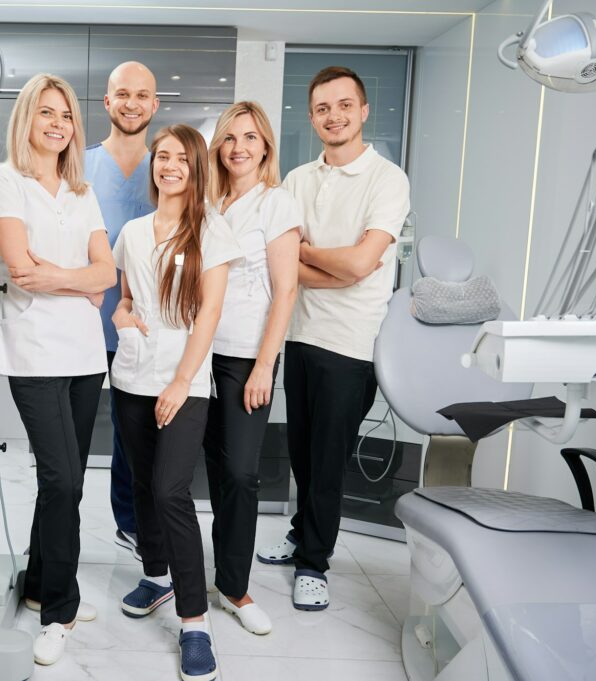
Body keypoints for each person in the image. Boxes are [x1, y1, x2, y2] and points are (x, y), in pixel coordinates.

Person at [255, 66, 410, 612]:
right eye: (323, 108)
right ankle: (302, 532)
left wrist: (306, 256)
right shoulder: (297, 180)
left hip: (351, 344)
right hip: (299, 335)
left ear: (363, 111)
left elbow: (364, 264)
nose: (334, 116)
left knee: (326, 462)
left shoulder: (387, 179)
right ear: (312, 116)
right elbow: (281, 264)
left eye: (344, 105)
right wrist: (334, 266)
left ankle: (314, 564)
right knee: (302, 452)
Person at [0, 73, 116, 666]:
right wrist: (80, 282)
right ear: (27, 118)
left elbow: (107, 274)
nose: (58, 124)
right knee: (62, 480)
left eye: (66, 115)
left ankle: (41, 584)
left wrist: (60, 277)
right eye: (46, 112)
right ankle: (59, 612)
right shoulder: (5, 182)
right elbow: (21, 269)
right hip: (34, 352)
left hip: (86, 357)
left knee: (65, 481)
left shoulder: (81, 191)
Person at [111, 124, 241, 681]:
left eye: (181, 159)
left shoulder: (212, 230)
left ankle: (194, 621)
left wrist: (182, 381)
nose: (169, 166)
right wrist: (120, 315)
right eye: (162, 156)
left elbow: (209, 312)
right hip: (131, 376)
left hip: (183, 381)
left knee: (170, 491)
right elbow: (125, 299)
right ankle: (156, 575)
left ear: (196, 168)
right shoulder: (133, 232)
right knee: (143, 484)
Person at [203, 101, 302, 634]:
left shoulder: (276, 204)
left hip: (246, 357)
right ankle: (216, 574)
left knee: (241, 473)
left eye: (249, 137)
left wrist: (265, 365)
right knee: (214, 469)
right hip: (199, 353)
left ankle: (236, 588)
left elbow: (286, 290)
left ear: (265, 147)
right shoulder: (208, 203)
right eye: (229, 137)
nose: (238, 147)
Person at [84, 61, 159, 561]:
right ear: (108, 102)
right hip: (83, 323)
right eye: (123, 94)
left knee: (134, 434)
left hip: (145, 326)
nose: (132, 103)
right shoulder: (79, 163)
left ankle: (131, 524)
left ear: (155, 104)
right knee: (71, 438)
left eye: (142, 95)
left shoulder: (168, 163)